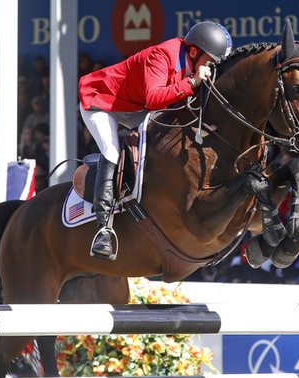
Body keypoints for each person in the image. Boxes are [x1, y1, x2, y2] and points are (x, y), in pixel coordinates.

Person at [78, 21, 232, 259]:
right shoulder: (163, 55)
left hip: (134, 105)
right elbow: (154, 99)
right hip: (102, 102)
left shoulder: (193, 62)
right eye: (210, 62)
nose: (212, 69)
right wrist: (192, 83)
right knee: (112, 152)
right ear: (193, 52)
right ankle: (103, 229)